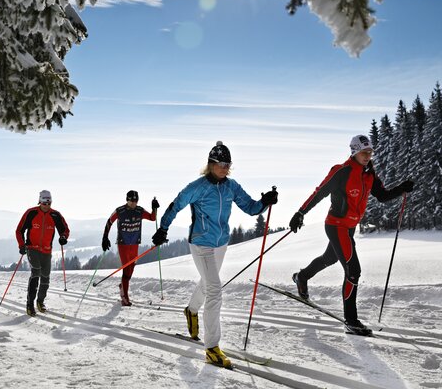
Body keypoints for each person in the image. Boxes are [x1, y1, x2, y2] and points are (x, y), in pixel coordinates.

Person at [153, 141, 278, 368]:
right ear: (210, 164)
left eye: (228, 164)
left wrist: (265, 203)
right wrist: (163, 228)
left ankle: (191, 310)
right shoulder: (198, 186)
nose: (225, 168)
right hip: (201, 243)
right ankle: (211, 347)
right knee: (215, 290)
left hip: (221, 243)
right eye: (220, 164)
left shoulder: (231, 187)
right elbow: (175, 205)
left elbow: (250, 207)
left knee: (207, 283)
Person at [289, 135, 414, 336]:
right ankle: (351, 320)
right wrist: (300, 213)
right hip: (335, 226)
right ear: (354, 152)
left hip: (349, 227)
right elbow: (319, 192)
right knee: (353, 270)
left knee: (328, 258)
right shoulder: (341, 171)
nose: (368, 156)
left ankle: (302, 276)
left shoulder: (369, 174)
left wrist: (401, 189)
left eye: (370, 152)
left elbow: (382, 196)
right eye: (364, 152)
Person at [15, 190, 70, 316]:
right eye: (44, 202)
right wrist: (21, 245)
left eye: (49, 202)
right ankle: (30, 304)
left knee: (45, 276)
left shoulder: (55, 215)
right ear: (40, 201)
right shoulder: (31, 213)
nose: (47, 205)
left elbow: (65, 230)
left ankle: (40, 301)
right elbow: (19, 230)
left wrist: (63, 237)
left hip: (46, 250)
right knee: (36, 271)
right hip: (32, 248)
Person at [102, 190, 159, 306]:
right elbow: (109, 222)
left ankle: (123, 285)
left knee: (131, 268)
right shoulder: (120, 211)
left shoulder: (139, 210)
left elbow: (153, 218)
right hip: (123, 244)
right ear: (127, 200)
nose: (133, 203)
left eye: (135, 201)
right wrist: (105, 238)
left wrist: (154, 208)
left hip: (134, 244)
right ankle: (124, 297)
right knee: (126, 270)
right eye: (131, 200)